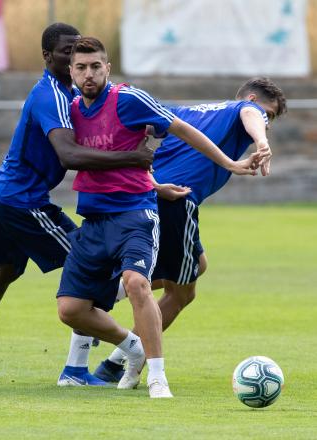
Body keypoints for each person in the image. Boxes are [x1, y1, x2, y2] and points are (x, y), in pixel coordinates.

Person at [55, 37, 264, 398]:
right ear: (71, 72)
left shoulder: (128, 99)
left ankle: (157, 378)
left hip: (136, 212)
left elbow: (180, 129)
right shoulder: (71, 110)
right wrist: (158, 182)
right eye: (80, 67)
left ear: (107, 68)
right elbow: (121, 155)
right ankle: (131, 349)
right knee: (71, 309)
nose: (88, 74)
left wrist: (229, 162)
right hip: (93, 218)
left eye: (95, 66)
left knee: (141, 282)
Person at [0, 23, 155, 386]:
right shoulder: (54, 96)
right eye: (65, 51)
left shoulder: (66, 93)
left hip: (5, 190)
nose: (73, 57)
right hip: (23, 200)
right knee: (92, 267)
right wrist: (132, 158)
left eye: (78, 51)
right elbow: (69, 153)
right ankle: (80, 369)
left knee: (7, 269)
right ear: (47, 56)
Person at [93, 77, 285, 383]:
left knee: (197, 265)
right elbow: (252, 114)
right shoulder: (246, 109)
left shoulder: (193, 111)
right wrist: (262, 142)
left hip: (146, 195)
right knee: (182, 291)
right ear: (250, 98)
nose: (268, 122)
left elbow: (145, 125)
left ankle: (108, 301)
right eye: (270, 115)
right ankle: (120, 357)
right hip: (176, 200)